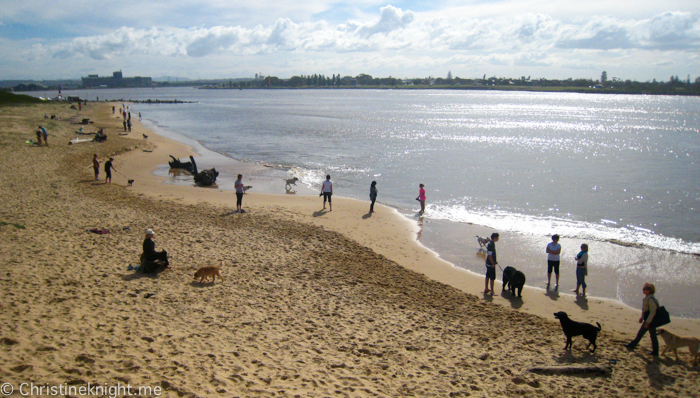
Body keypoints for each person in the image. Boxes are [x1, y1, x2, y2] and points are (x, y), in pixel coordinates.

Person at [624, 282, 660, 356]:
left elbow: (652, 312)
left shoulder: (650, 299)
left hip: (651, 321)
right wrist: (642, 317)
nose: (643, 290)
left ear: (649, 290)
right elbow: (645, 310)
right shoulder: (647, 298)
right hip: (648, 320)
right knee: (644, 334)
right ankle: (633, 345)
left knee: (651, 335)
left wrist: (647, 322)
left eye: (645, 289)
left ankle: (655, 351)